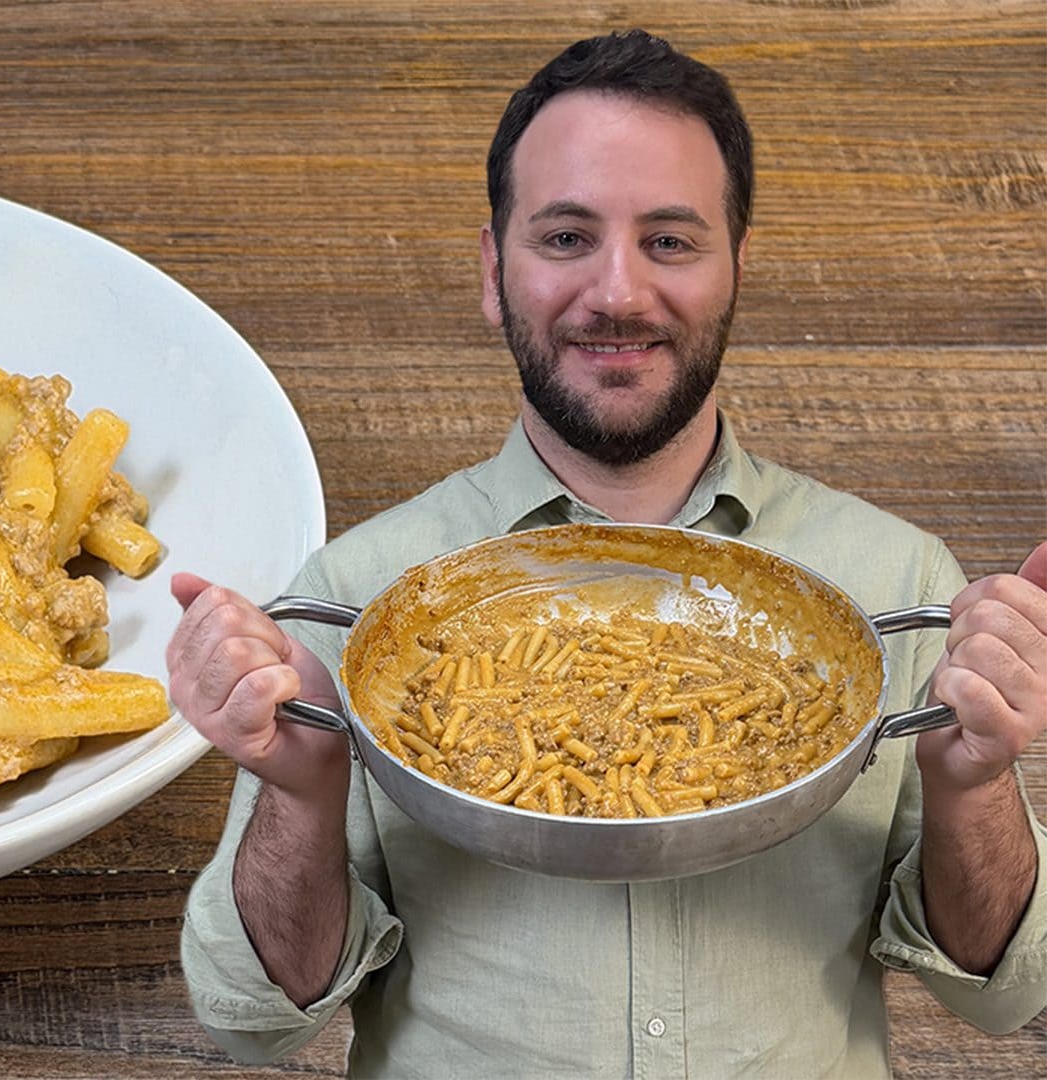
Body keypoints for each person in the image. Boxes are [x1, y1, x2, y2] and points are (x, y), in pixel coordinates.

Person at [170, 29, 1047, 1077]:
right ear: (495, 272)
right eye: (566, 237)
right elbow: (252, 1023)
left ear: (735, 269)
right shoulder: (362, 598)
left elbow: (1006, 999)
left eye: (671, 241)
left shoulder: (897, 581)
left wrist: (975, 787)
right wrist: (301, 793)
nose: (620, 292)